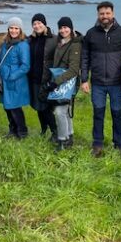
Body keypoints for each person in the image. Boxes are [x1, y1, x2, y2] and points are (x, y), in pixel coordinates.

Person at [80, 1, 121, 157]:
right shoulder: (91, 34)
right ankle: (97, 144)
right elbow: (85, 57)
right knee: (98, 113)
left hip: (117, 83)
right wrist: (84, 79)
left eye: (107, 13)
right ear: (98, 15)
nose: (105, 16)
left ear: (113, 14)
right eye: (102, 13)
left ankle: (119, 145)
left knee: (117, 113)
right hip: (97, 83)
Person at [46, 17, 81, 152]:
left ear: (71, 28)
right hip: (60, 81)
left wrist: (55, 82)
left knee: (60, 111)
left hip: (67, 83)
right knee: (65, 111)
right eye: (61, 28)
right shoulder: (60, 42)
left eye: (66, 27)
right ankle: (69, 136)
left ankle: (62, 140)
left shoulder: (75, 45)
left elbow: (73, 69)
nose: (63, 30)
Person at [0, 17, 30, 139]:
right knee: (7, 107)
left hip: (15, 81)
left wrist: (12, 76)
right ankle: (12, 130)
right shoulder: (5, 43)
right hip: (4, 79)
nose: (13, 30)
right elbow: (1, 60)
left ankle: (22, 132)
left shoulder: (23, 45)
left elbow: (25, 66)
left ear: (20, 29)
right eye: (11, 27)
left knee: (15, 108)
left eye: (16, 28)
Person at [27, 13, 58, 141]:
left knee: (45, 107)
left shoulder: (54, 39)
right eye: (34, 24)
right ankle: (43, 129)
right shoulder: (30, 40)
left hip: (47, 79)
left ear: (45, 24)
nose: (37, 26)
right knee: (38, 107)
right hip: (34, 78)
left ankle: (55, 131)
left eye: (39, 23)